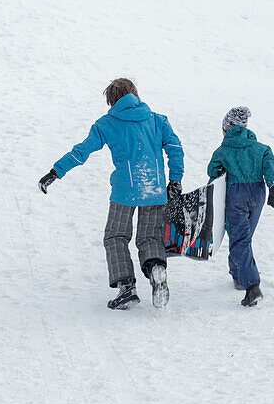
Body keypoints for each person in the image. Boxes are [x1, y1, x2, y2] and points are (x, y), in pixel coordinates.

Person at [38, 79, 184, 310]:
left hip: (125, 192)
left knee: (115, 237)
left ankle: (126, 288)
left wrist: (56, 171)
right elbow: (175, 149)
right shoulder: (157, 119)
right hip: (154, 189)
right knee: (150, 238)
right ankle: (156, 270)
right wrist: (175, 179)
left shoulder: (106, 124)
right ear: (134, 94)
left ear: (112, 100)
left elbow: (81, 152)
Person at [207, 106, 274, 307]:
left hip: (235, 195)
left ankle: (252, 286)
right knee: (243, 238)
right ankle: (238, 274)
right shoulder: (261, 149)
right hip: (258, 194)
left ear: (227, 129)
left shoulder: (222, 151)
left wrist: (219, 172)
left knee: (240, 239)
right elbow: (269, 166)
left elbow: (212, 172)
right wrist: (273, 186)